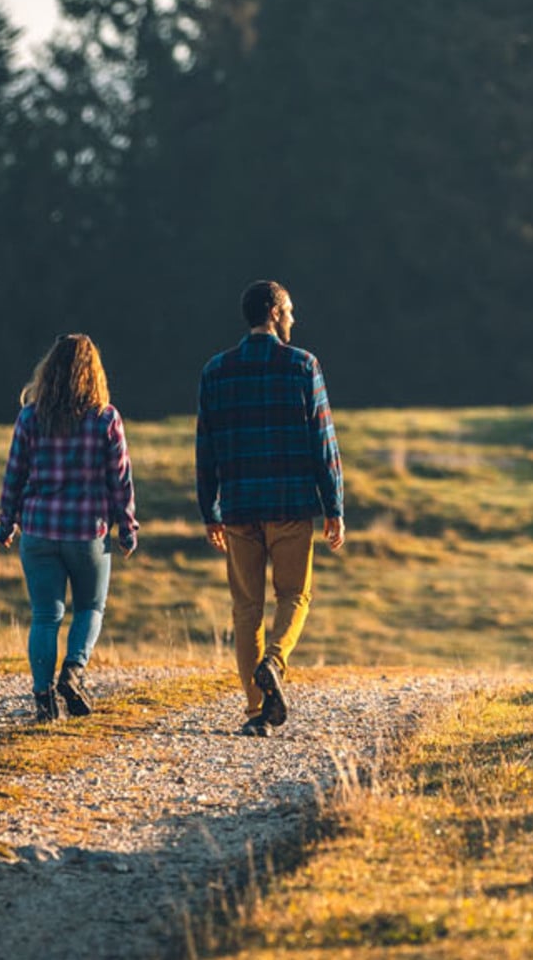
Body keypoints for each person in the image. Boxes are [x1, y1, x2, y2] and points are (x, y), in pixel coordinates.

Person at [195, 280, 345, 736]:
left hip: (238, 506)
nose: (294, 320)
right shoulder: (303, 366)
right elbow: (323, 441)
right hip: (289, 505)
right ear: (276, 312)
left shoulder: (215, 371)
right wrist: (333, 506)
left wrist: (209, 509)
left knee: (246, 608)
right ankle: (275, 661)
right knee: (295, 595)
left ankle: (258, 710)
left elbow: (206, 447)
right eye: (291, 312)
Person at [0, 333, 139, 723]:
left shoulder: (30, 416)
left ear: (50, 371)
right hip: (88, 532)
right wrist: (127, 527)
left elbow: (15, 474)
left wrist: (6, 521)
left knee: (45, 615)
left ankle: (44, 700)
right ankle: (73, 673)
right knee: (91, 607)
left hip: (39, 529)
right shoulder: (106, 418)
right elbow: (120, 479)